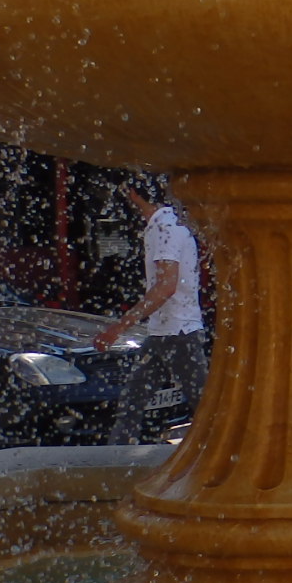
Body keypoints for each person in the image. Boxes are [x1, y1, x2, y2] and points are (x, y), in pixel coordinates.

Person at [95, 179, 209, 445]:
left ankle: (220, 457)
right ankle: (116, 458)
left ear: (134, 195)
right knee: (132, 402)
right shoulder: (173, 222)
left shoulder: (163, 226)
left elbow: (166, 285)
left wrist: (119, 327)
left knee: (201, 405)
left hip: (177, 331)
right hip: (167, 331)